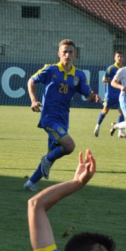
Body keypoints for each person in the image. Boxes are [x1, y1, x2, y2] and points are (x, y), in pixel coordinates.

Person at [24, 39, 100, 192]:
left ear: (75, 55)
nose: (67, 54)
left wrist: (94, 97)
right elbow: (31, 80)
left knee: (52, 155)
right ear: (59, 54)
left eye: (70, 52)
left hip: (63, 119)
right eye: (64, 52)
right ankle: (46, 160)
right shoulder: (50, 70)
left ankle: (31, 182)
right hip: (49, 118)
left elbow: (87, 94)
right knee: (69, 146)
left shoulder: (79, 75)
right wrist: (33, 100)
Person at [93, 51, 126, 138]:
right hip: (110, 95)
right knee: (105, 110)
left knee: (121, 112)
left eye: (121, 56)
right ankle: (98, 125)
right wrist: (113, 81)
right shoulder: (111, 68)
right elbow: (103, 79)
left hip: (120, 95)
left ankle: (120, 132)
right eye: (118, 56)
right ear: (115, 58)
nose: (120, 58)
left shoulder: (124, 69)